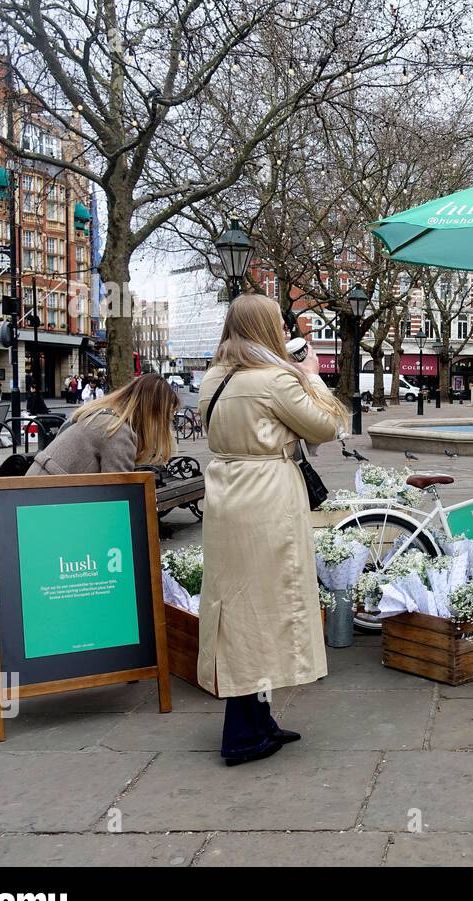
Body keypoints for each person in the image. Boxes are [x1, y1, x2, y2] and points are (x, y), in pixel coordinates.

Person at [197, 294, 349, 767]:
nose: (285, 333)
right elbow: (326, 427)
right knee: (266, 604)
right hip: (267, 496)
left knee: (240, 602)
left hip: (227, 495)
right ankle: (242, 734)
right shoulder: (275, 379)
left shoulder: (213, 376)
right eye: (280, 326)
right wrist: (311, 375)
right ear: (266, 327)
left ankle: (260, 719)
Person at [27, 373, 177, 476]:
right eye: (167, 417)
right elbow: (118, 496)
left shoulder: (105, 418)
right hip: (48, 502)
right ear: (153, 413)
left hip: (37, 492)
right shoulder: (117, 432)